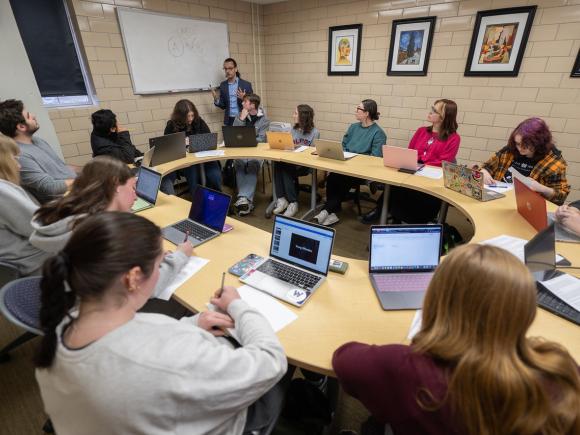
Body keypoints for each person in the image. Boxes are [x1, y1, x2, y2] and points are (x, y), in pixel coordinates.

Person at [34, 212, 288, 434]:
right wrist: (237, 305)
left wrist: (190, 324)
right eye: (160, 263)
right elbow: (271, 360)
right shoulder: (170, 359)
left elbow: (136, 344)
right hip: (215, 422)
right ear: (133, 278)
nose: (162, 268)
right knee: (279, 376)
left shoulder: (60, 332)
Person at [333, 244, 580, 435]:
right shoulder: (560, 370)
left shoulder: (407, 368)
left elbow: (343, 360)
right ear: (523, 310)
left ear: (437, 299)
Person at [29, 156, 191, 300]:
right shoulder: (102, 234)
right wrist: (180, 256)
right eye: (133, 187)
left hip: (67, 301)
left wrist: (148, 258)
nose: (136, 195)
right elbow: (145, 287)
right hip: (102, 313)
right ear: (115, 185)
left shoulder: (66, 217)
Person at [362, 99, 460, 224]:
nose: (430, 112)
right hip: (413, 170)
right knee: (394, 183)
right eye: (432, 108)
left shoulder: (454, 138)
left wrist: (421, 161)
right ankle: (384, 211)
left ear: (444, 116)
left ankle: (392, 214)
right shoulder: (422, 131)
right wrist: (418, 161)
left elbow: (443, 162)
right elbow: (410, 151)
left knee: (404, 190)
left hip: (429, 178)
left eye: (434, 111)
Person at [313, 99, 386, 226]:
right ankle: (332, 212)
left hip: (361, 171)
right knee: (332, 178)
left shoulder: (378, 133)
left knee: (340, 179)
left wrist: (354, 161)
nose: (355, 111)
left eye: (358, 108)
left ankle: (327, 210)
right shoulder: (353, 127)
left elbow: (375, 158)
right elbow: (344, 146)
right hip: (345, 165)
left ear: (367, 113)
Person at [478, 117, 570, 205]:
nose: (520, 149)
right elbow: (487, 166)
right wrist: (484, 171)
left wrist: (541, 188)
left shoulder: (554, 163)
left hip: (526, 207)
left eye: (526, 145)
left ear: (539, 143)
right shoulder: (509, 151)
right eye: (518, 143)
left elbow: (561, 196)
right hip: (497, 200)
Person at [0, 99, 76, 204]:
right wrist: (89, 179)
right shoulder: (20, 155)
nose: (33, 116)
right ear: (21, 127)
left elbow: (61, 168)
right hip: (64, 204)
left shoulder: (38, 141)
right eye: (28, 116)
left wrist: (91, 169)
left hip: (77, 191)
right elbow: (50, 187)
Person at [0, 134, 51, 276]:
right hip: (34, 265)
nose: (19, 165)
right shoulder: (2, 191)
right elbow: (41, 227)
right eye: (15, 159)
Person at [164, 99, 222, 192]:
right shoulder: (171, 125)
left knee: (214, 174)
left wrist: (194, 141)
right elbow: (168, 147)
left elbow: (209, 138)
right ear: (180, 116)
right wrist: (182, 143)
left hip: (204, 157)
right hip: (187, 162)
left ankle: (217, 196)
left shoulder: (199, 121)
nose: (191, 119)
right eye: (187, 116)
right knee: (193, 173)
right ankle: (197, 199)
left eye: (192, 115)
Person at [272, 104, 320, 218]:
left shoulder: (314, 132)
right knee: (278, 164)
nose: (293, 115)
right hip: (291, 160)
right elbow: (287, 145)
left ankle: (293, 202)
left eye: (295, 113)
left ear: (302, 116)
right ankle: (282, 199)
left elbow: (313, 154)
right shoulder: (292, 130)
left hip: (304, 164)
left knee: (285, 168)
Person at [232, 93, 270, 216]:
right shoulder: (240, 115)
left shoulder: (264, 120)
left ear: (253, 105)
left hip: (257, 151)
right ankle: (247, 201)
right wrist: (241, 119)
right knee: (239, 163)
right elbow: (234, 134)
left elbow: (262, 139)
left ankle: (243, 198)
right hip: (242, 150)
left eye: (245, 102)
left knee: (253, 163)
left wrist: (245, 137)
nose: (242, 103)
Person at [211, 58, 253, 126]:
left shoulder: (246, 85)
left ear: (236, 69)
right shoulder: (223, 85)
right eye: (225, 69)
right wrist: (216, 99)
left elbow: (253, 105)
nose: (227, 71)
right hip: (229, 120)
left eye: (230, 68)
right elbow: (223, 106)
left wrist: (244, 98)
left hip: (243, 119)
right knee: (229, 137)